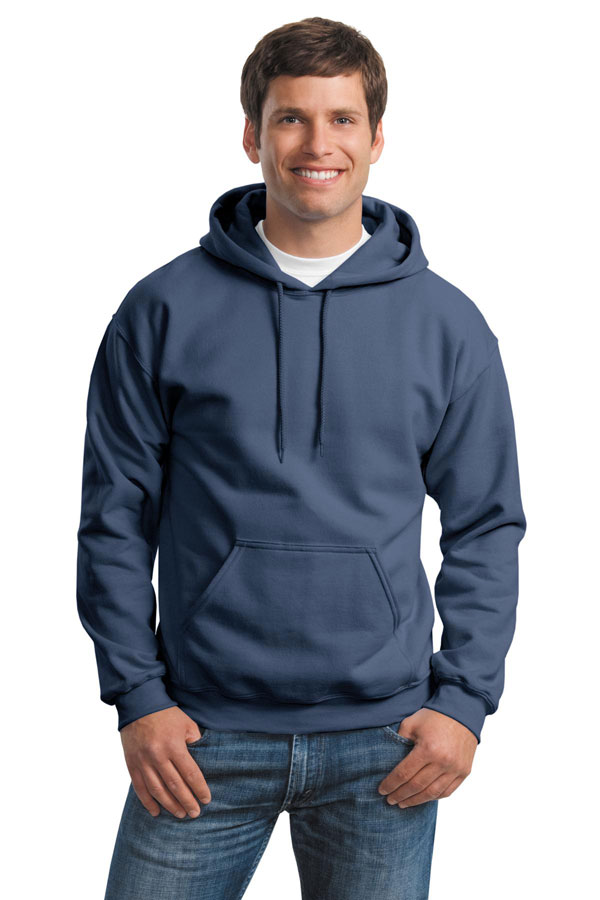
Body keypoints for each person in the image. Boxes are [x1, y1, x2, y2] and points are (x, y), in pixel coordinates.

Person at [76, 16, 527, 900]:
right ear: (253, 135)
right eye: (291, 118)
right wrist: (136, 695)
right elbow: (114, 516)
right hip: (198, 736)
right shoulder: (161, 311)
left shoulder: (448, 326)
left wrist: (464, 703)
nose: (318, 144)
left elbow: (487, 524)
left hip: (385, 744)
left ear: (377, 137)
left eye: (342, 119)